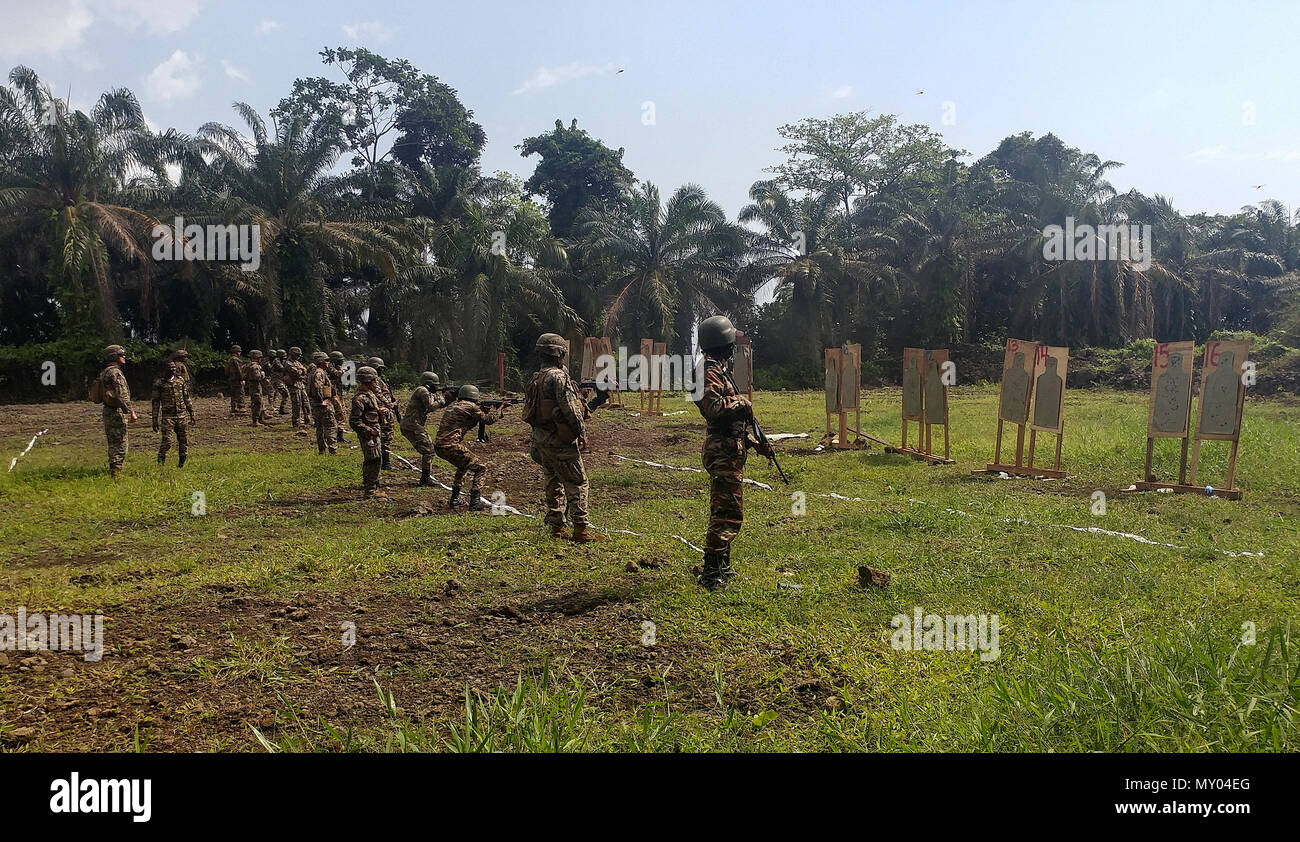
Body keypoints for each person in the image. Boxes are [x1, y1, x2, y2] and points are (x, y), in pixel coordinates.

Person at [693, 315, 773, 591]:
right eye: (731, 341)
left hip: (730, 448)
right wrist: (742, 401)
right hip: (722, 452)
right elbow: (714, 409)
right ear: (724, 343)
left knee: (728, 509)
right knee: (726, 512)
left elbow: (731, 423)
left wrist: (755, 442)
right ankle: (710, 575)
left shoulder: (719, 369)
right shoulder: (707, 371)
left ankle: (723, 567)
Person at [523, 333, 597, 541]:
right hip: (559, 440)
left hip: (540, 441)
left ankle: (556, 526)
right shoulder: (558, 377)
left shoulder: (535, 378)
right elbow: (571, 410)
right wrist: (581, 433)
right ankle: (580, 529)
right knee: (577, 482)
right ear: (559, 354)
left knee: (553, 480)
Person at [435, 385, 503, 511]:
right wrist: (500, 409)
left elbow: (468, 423)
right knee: (481, 468)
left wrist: (483, 410)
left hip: (440, 446)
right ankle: (475, 502)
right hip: (451, 446)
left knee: (463, 466)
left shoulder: (455, 405)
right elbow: (489, 420)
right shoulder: (471, 406)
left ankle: (455, 499)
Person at [96, 345, 137, 479]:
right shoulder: (115, 373)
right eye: (121, 354)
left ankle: (115, 471)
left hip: (108, 411)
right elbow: (122, 394)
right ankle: (116, 474)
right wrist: (130, 411)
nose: (124, 357)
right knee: (120, 443)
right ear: (114, 357)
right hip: (116, 412)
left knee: (113, 442)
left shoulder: (106, 372)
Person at [350, 366, 391, 499]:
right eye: (374, 380)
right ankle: (370, 490)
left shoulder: (370, 395)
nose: (376, 382)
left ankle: (374, 486)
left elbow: (370, 412)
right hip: (369, 434)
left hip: (374, 431)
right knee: (372, 459)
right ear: (369, 381)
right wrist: (369, 431)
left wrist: (379, 411)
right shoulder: (360, 399)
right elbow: (354, 421)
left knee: (376, 458)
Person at [400, 371, 446, 486]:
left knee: (428, 450)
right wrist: (441, 400)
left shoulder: (425, 391)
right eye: (435, 385)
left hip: (412, 425)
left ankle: (425, 478)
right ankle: (425, 479)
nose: (437, 387)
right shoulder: (422, 390)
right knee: (429, 450)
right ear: (429, 384)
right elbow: (430, 406)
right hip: (412, 425)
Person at [152, 361, 196, 467]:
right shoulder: (159, 384)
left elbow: (187, 398)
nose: (173, 370)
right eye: (170, 368)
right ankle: (160, 462)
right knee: (167, 441)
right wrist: (154, 419)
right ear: (165, 369)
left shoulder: (180, 381)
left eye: (174, 368)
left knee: (183, 441)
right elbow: (155, 403)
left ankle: (181, 464)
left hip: (182, 416)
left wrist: (192, 414)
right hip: (168, 417)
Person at [367, 356, 399, 470]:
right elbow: (379, 395)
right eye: (380, 368)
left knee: (382, 436)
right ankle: (386, 463)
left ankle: (382, 460)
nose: (382, 370)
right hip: (382, 412)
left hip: (381, 412)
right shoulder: (375, 382)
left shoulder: (375, 381)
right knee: (386, 436)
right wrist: (390, 404)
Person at [306, 351, 338, 455]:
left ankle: (322, 450)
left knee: (320, 427)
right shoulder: (319, 372)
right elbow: (317, 386)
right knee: (331, 426)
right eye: (326, 360)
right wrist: (321, 400)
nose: (328, 363)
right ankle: (333, 450)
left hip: (316, 404)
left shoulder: (314, 372)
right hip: (323, 404)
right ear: (321, 361)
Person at [284, 347, 311, 428]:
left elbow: (305, 371)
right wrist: (301, 370)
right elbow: (295, 373)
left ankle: (307, 419)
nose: (298, 357)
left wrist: (301, 370)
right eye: (297, 355)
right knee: (297, 404)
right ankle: (296, 422)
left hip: (300, 384)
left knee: (305, 402)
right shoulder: (288, 363)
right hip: (294, 385)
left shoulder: (297, 363)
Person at [243, 350, 270, 426]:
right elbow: (257, 377)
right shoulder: (254, 366)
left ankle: (260, 418)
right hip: (255, 385)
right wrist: (262, 375)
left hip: (253, 385)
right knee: (257, 402)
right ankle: (255, 420)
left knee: (259, 401)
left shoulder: (248, 365)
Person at [224, 344, 245, 416]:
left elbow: (226, 371)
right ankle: (241, 407)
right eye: (239, 352)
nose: (240, 353)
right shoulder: (236, 360)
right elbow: (239, 370)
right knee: (240, 393)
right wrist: (242, 378)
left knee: (233, 394)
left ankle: (233, 407)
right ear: (236, 352)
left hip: (231, 379)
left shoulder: (229, 360)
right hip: (237, 379)